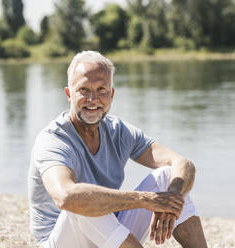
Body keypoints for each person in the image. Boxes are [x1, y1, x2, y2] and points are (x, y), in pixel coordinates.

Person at [28, 51, 208, 248]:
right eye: (84, 90)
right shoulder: (53, 139)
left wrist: (171, 198)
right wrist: (145, 200)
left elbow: (182, 163)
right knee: (80, 203)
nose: (93, 99)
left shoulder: (118, 131)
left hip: (108, 237)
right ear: (69, 94)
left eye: (101, 90)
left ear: (111, 94)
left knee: (167, 176)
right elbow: (65, 197)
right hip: (63, 241)